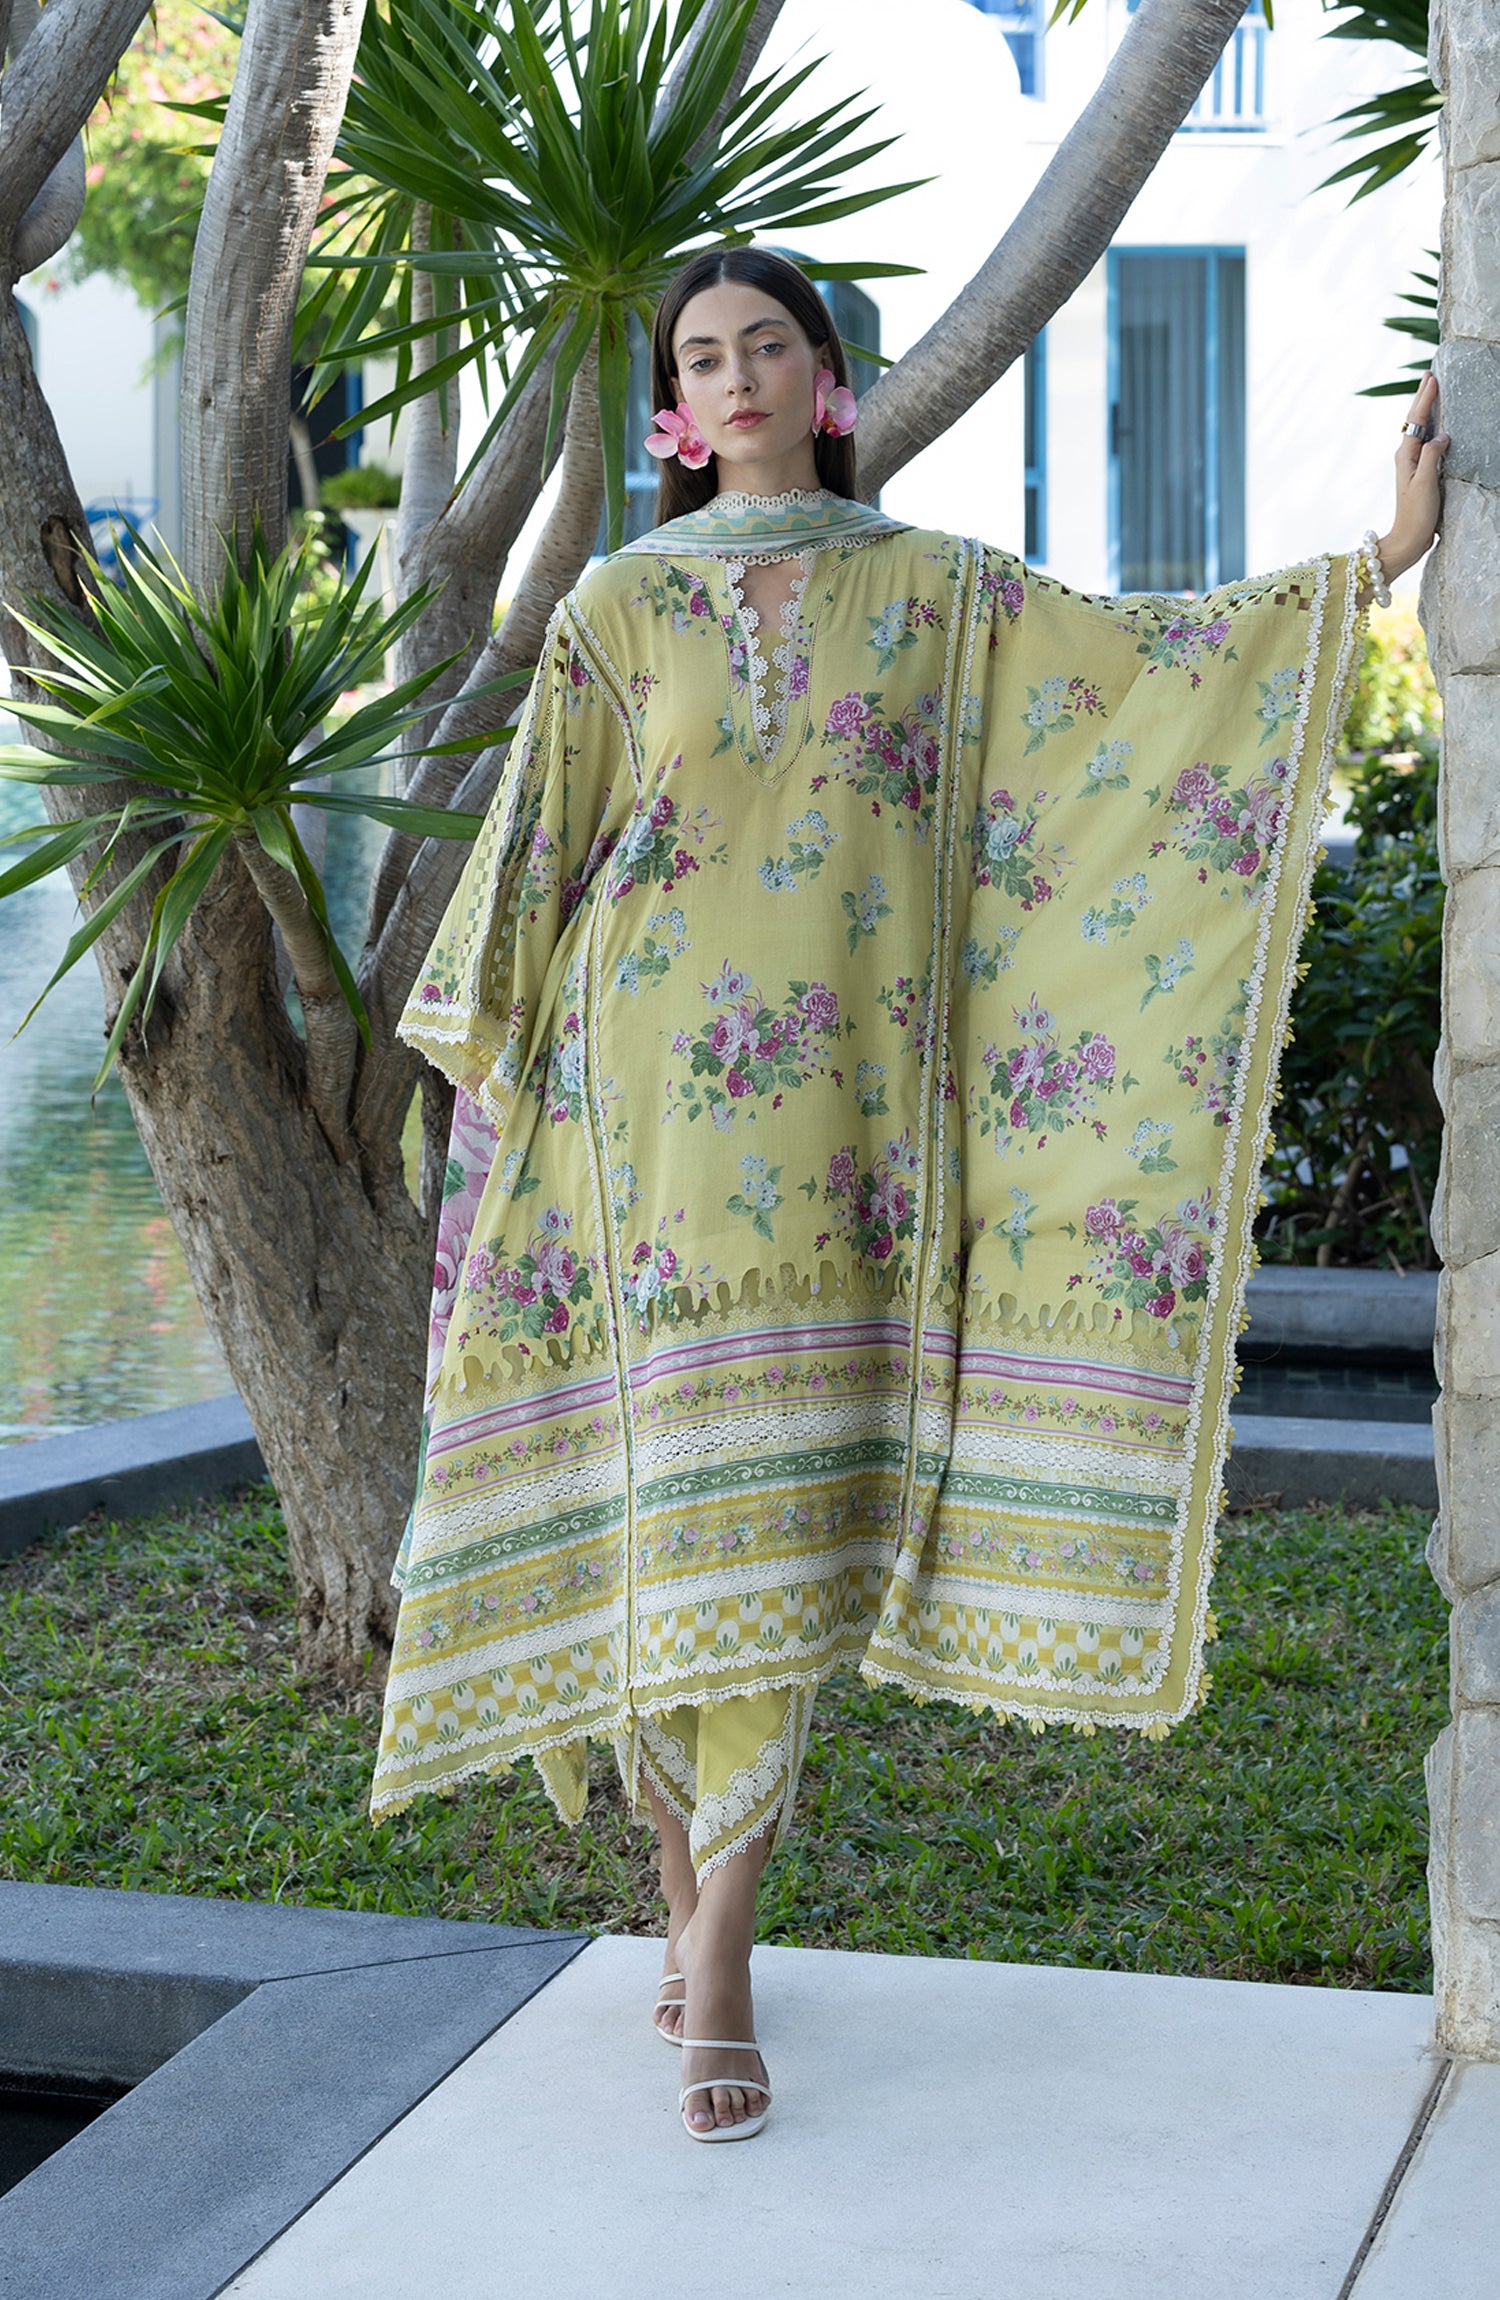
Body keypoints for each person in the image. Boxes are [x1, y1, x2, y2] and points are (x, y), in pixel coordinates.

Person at [372, 247, 1446, 2141]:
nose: (738, 378)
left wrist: (1371, 566)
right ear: (673, 415)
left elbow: (1146, 680)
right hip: (635, 1116)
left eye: (768, 344)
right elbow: (535, 862)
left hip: (845, 1137)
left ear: (828, 376)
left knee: (783, 1517)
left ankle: (715, 1950)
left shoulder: (944, 597)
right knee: (665, 1513)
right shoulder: (619, 608)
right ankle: (700, 1934)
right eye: (704, 358)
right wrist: (480, 1122)